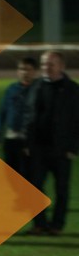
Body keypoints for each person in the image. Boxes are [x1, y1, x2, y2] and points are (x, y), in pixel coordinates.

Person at [25, 51, 79, 236]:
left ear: (61, 66)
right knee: (34, 188)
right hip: (39, 148)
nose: (47, 67)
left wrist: (73, 147)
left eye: (51, 64)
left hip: (62, 150)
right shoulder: (38, 86)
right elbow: (30, 115)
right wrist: (28, 142)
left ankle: (57, 225)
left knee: (61, 190)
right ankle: (40, 224)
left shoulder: (72, 89)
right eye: (44, 64)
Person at [0, 57, 38, 178]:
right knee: (11, 174)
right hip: (11, 137)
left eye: (28, 69)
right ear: (18, 71)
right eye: (22, 69)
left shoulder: (39, 90)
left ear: (34, 72)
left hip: (29, 139)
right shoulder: (11, 90)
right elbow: (2, 112)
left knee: (28, 175)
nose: (25, 72)